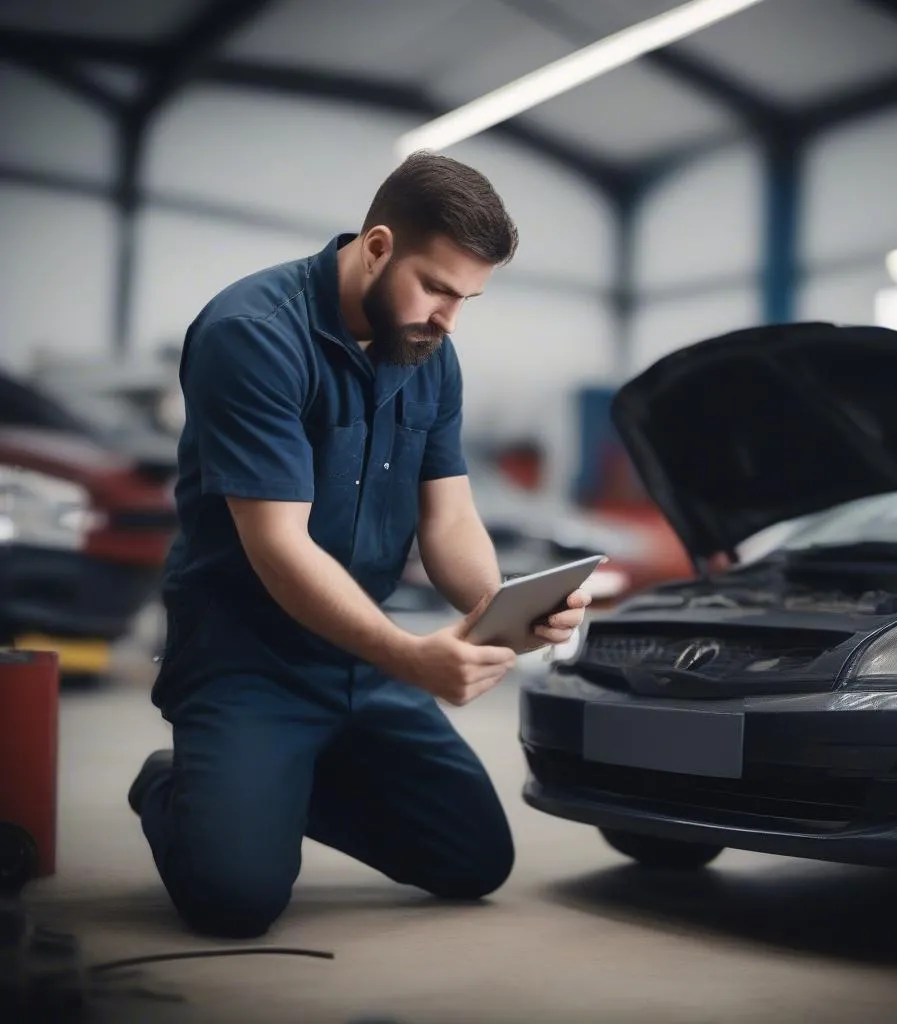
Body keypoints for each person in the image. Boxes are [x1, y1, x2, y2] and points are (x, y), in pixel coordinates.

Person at [127, 151, 591, 939]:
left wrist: (496, 604)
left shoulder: (429, 357)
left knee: (473, 862)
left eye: (467, 298)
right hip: (249, 657)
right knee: (233, 901)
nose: (448, 319)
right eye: (437, 288)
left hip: (360, 663)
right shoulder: (254, 335)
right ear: (377, 246)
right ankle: (180, 784)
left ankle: (263, 787)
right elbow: (279, 547)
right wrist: (408, 655)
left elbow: (447, 518)